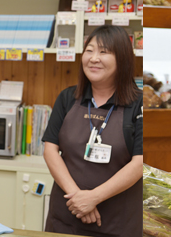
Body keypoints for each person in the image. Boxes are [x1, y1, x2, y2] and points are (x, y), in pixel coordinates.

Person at [42, 25, 143, 236]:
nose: (93, 58)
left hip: (117, 221)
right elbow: (50, 150)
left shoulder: (138, 104)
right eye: (89, 50)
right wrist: (78, 197)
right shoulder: (68, 98)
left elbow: (139, 163)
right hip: (67, 216)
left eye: (104, 52)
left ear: (122, 58)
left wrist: (93, 198)